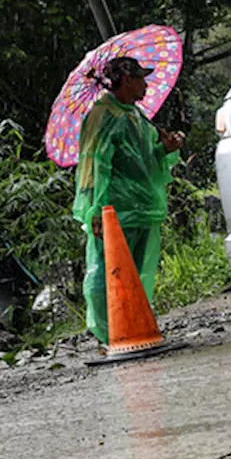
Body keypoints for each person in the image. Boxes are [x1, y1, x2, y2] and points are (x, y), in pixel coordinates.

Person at [73, 54, 183, 344]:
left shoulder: (136, 115)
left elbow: (145, 159)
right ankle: (110, 331)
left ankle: (134, 325)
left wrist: (166, 148)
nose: (145, 85)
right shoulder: (102, 117)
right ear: (126, 81)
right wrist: (96, 208)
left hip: (142, 209)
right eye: (140, 79)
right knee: (107, 271)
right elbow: (94, 165)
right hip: (113, 210)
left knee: (135, 274)